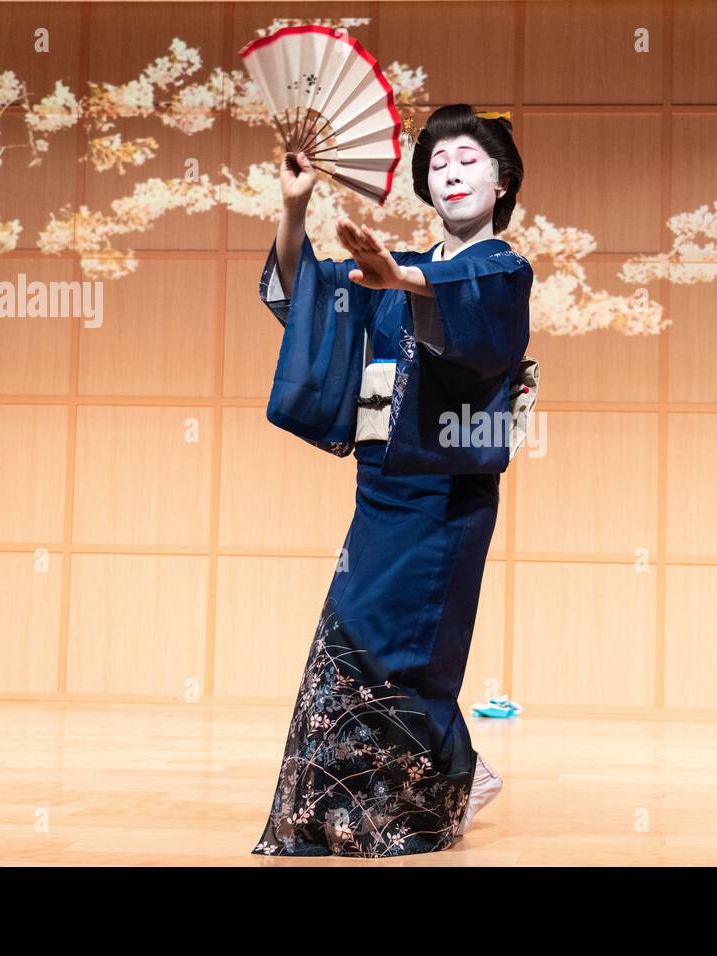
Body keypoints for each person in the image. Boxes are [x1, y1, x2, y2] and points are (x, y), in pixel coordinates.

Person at [251, 104, 537, 857]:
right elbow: (302, 301)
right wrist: (295, 207)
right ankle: (448, 773)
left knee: (407, 650)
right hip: (380, 485)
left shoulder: (501, 269)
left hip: (444, 492)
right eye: (439, 163)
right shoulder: (396, 266)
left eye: (469, 159)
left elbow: (474, 327)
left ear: (502, 179)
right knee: (349, 645)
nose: (451, 171)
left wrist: (406, 279)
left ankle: (421, 802)